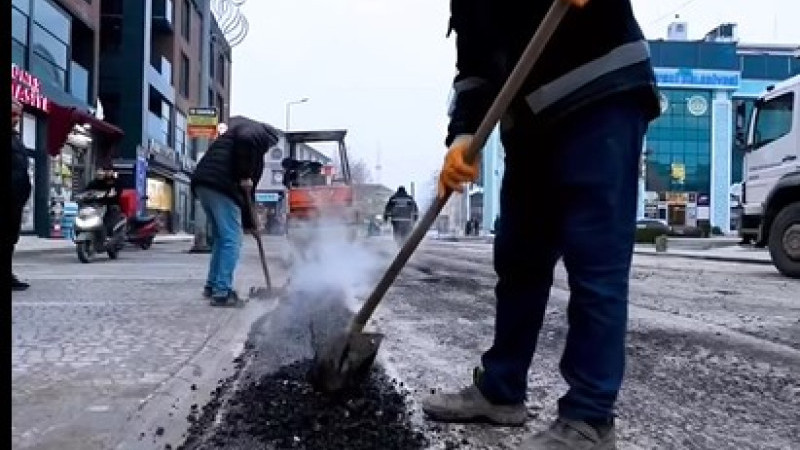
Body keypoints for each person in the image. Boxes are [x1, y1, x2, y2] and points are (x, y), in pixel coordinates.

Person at [423, 0, 661, 448]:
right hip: (530, 126)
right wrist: (462, 136)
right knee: (518, 259)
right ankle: (501, 390)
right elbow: (474, 70)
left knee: (595, 264)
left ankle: (589, 419)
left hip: (599, 99)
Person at [190, 116, 278, 306]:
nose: (268, 149)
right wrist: (245, 175)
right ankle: (222, 292)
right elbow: (245, 181)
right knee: (232, 239)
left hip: (204, 183)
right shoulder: (255, 133)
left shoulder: (239, 143)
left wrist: (251, 224)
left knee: (222, 239)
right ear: (269, 139)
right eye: (270, 146)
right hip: (220, 185)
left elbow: (248, 195)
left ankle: (212, 285)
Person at [9, 98, 33, 291]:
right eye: (13, 114)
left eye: (18, 115)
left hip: (15, 200)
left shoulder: (15, 138)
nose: (16, 118)